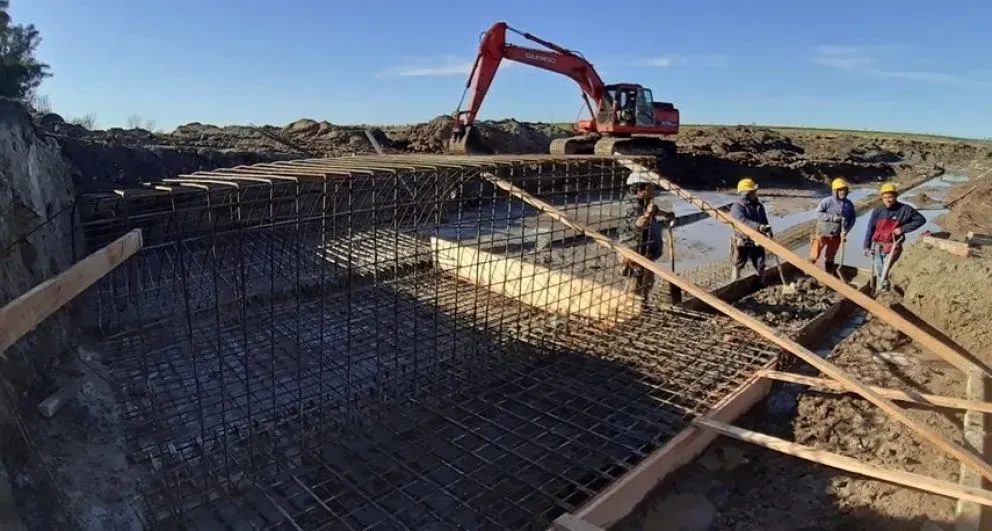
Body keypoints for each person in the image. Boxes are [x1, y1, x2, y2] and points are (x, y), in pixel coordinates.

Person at [618, 172, 675, 308]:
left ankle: (643, 307)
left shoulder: (645, 203)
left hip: (646, 252)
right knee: (633, 286)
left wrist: (666, 214)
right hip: (634, 254)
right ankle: (629, 311)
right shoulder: (631, 207)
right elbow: (638, 225)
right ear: (639, 189)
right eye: (650, 188)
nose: (653, 192)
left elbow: (654, 211)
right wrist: (648, 213)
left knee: (646, 284)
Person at [862, 183, 926, 291]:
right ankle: (882, 288)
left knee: (885, 270)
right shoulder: (877, 211)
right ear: (881, 198)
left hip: (893, 246)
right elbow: (870, 228)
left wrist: (902, 229)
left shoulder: (905, 210)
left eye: (890, 197)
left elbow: (920, 220)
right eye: (885, 197)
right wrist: (866, 246)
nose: (888, 200)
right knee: (879, 270)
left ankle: (882, 290)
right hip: (877, 246)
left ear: (895, 196)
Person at [730, 178, 772, 283]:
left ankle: (761, 284)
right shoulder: (737, 207)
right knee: (738, 263)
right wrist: (759, 227)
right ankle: (734, 284)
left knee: (760, 263)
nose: (755, 194)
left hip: (758, 240)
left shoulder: (759, 206)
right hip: (743, 240)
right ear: (746, 194)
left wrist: (769, 231)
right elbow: (742, 221)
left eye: (754, 191)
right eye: (753, 192)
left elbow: (764, 220)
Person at [810, 177, 857, 272]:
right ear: (834, 191)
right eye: (839, 190)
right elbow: (817, 213)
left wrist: (846, 231)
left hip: (837, 234)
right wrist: (832, 217)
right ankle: (808, 270)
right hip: (823, 232)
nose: (842, 192)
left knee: (830, 256)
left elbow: (852, 219)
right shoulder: (827, 201)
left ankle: (829, 274)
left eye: (844, 190)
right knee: (815, 253)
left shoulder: (849, 204)